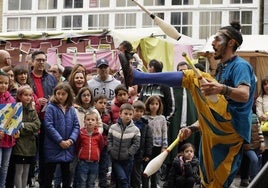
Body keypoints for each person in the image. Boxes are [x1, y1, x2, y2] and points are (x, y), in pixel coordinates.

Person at [118, 21, 256, 187]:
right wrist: (192, 128)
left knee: (191, 76)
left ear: (231, 42)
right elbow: (210, 109)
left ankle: (138, 77)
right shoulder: (222, 68)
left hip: (230, 125)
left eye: (217, 39)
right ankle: (137, 76)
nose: (213, 43)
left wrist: (221, 88)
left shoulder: (241, 65)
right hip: (216, 131)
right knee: (210, 182)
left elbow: (244, 94)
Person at [42, 83, 80, 188]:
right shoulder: (50, 107)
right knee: (49, 173)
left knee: (66, 174)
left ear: (68, 95)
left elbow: (76, 125)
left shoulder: (71, 109)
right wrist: (60, 141)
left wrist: (71, 140)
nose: (60, 96)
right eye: (58, 93)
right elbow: (48, 126)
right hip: (53, 145)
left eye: (63, 94)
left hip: (67, 146)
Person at [28, 50, 57, 186]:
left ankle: (44, 180)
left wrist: (50, 100)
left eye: (43, 60)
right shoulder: (27, 77)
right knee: (31, 152)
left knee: (46, 152)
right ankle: (29, 180)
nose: (41, 62)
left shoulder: (51, 78)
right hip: (31, 119)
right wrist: (36, 101)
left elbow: (57, 95)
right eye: (38, 60)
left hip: (47, 119)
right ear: (32, 61)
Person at [12, 86, 41, 188]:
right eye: (25, 95)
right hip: (19, 145)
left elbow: (37, 125)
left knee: (27, 171)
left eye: (30, 95)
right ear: (19, 96)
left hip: (30, 145)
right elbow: (14, 126)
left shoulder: (32, 110)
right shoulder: (15, 109)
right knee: (19, 170)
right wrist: (27, 128)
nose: (28, 97)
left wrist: (24, 125)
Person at [107, 103, 141, 188]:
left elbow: (136, 144)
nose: (128, 116)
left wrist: (129, 153)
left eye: (130, 114)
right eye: (125, 114)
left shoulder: (135, 130)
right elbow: (109, 140)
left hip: (127, 160)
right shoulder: (113, 127)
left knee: (125, 179)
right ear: (120, 114)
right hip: (115, 159)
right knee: (121, 179)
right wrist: (110, 150)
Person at [75, 110, 105, 188]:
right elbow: (77, 145)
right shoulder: (81, 133)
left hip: (94, 163)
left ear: (96, 122)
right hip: (83, 162)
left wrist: (96, 154)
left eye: (92, 120)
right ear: (84, 121)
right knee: (82, 182)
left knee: (91, 182)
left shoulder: (98, 135)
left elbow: (101, 146)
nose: (90, 122)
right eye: (88, 120)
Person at [143, 95, 168, 188]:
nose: (154, 106)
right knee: (146, 168)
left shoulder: (162, 118)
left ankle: (154, 185)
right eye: (152, 104)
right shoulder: (145, 118)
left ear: (159, 105)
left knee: (155, 169)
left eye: (156, 104)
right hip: (148, 147)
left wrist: (164, 146)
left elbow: (164, 132)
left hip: (158, 146)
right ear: (148, 105)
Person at [131, 100, 153, 188]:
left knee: (137, 175)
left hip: (139, 154)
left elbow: (149, 140)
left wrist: (147, 154)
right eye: (136, 111)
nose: (138, 113)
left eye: (141, 111)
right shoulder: (128, 122)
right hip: (127, 153)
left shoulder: (145, 125)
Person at [0, 71, 16, 187]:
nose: (3, 85)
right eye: (0, 83)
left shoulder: (11, 99)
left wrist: (16, 129)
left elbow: (14, 119)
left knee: (5, 167)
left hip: (8, 139)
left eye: (6, 83)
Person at [239, 113, 265, 186]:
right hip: (247, 145)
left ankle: (254, 179)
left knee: (256, 161)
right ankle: (254, 180)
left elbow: (259, 130)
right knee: (254, 160)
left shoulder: (254, 116)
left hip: (256, 144)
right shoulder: (241, 116)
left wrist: (262, 142)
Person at [94, 94, 112, 188]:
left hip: (104, 143)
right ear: (95, 103)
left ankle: (103, 183)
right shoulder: (92, 113)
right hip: (93, 142)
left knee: (103, 165)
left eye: (105, 103)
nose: (103, 105)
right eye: (100, 103)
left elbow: (110, 128)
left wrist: (105, 126)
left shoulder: (107, 115)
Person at [256, 76, 268, 166]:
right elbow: (259, 114)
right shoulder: (260, 99)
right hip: (265, 131)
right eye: (265, 84)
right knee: (265, 155)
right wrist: (263, 116)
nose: (267, 86)